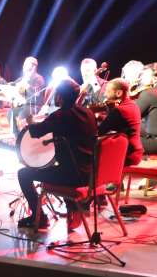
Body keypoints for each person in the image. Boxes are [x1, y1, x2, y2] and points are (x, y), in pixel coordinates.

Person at [16, 79, 97, 231]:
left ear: (59, 97)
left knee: (24, 174)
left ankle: (39, 217)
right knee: (63, 161)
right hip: (92, 173)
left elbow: (36, 132)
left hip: (72, 176)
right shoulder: (88, 113)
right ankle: (72, 208)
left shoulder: (61, 115)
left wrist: (30, 120)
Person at [98, 78, 143, 166]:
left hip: (126, 155)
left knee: (91, 154)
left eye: (108, 91)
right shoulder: (133, 105)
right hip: (136, 153)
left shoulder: (119, 110)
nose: (105, 94)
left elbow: (100, 131)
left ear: (119, 93)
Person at [9, 56, 46, 137]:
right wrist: (9, 85)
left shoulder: (39, 78)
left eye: (26, 64)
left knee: (22, 113)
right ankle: (17, 136)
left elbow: (37, 94)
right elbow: (14, 83)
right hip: (25, 104)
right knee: (11, 112)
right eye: (24, 64)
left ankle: (25, 136)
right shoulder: (24, 77)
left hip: (35, 105)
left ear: (33, 66)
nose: (24, 66)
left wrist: (27, 85)